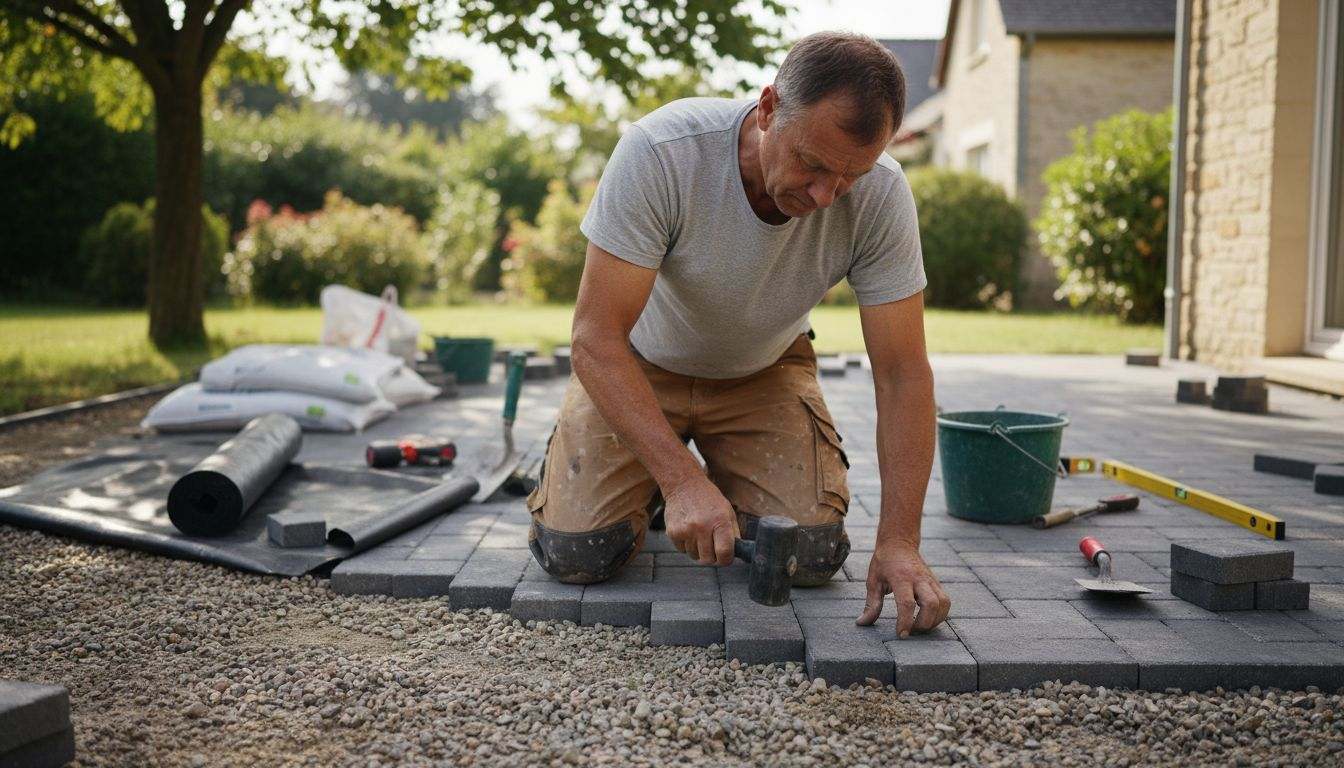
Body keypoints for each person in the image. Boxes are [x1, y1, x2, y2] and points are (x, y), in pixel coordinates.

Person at [526, 31, 950, 639]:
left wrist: (900, 541)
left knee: (810, 554)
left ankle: (717, 477)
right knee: (578, 554)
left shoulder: (881, 192)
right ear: (769, 108)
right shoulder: (663, 152)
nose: (827, 195)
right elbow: (594, 339)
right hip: (639, 366)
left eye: (849, 177)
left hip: (765, 371)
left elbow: (902, 373)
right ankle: (657, 479)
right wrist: (681, 481)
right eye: (813, 164)